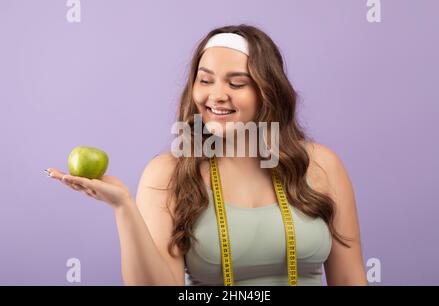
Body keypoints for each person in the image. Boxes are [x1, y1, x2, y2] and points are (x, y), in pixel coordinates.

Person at [46, 24, 367, 286]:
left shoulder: (321, 165)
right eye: (205, 80)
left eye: (237, 83)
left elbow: (351, 279)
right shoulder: (167, 175)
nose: (216, 95)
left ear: (268, 91)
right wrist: (123, 207)